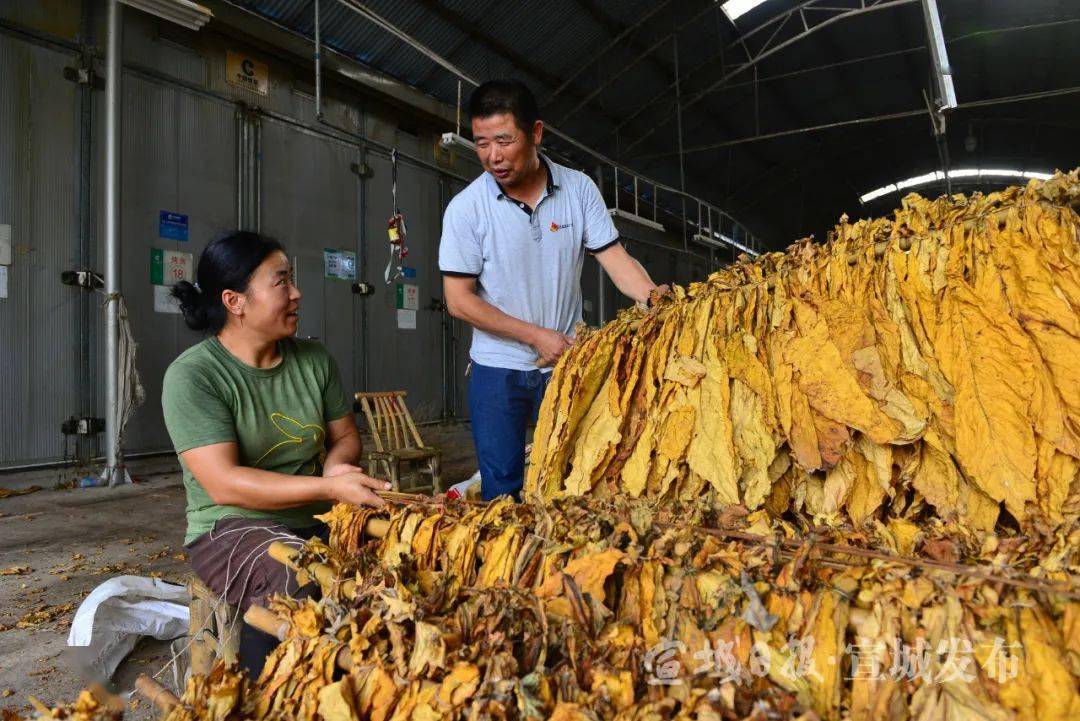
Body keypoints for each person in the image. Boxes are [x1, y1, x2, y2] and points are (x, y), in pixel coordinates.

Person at [162, 231, 387, 676]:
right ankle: (265, 695)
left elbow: (344, 436)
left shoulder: (313, 359)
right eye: (281, 282)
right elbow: (224, 482)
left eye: (292, 280)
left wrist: (337, 466)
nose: (297, 292)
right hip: (229, 526)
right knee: (294, 577)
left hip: (320, 517)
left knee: (411, 559)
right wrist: (328, 486)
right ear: (235, 301)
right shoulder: (195, 376)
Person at [439, 80, 664, 502]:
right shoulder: (467, 209)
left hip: (563, 366)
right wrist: (536, 336)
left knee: (572, 481)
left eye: (505, 140)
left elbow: (615, 258)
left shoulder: (578, 190)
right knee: (501, 490)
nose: (493, 156)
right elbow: (459, 300)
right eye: (482, 143)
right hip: (496, 371)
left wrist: (655, 298)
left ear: (536, 133)